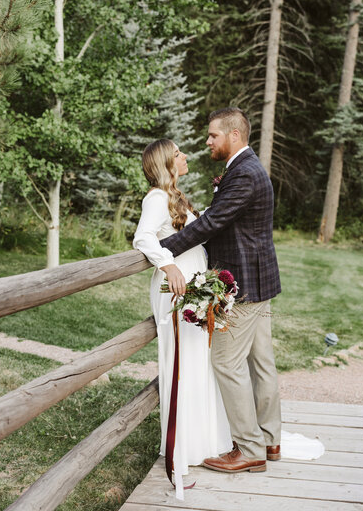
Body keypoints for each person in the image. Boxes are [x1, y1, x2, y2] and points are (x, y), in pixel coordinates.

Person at [158, 107, 282, 473]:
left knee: (226, 362)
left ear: (234, 136)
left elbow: (212, 222)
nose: (207, 141)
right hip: (260, 280)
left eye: (213, 135)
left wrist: (165, 248)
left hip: (243, 284)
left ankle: (249, 449)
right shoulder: (246, 169)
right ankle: (270, 439)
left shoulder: (244, 174)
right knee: (261, 364)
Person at [133, 139, 233, 490]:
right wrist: (168, 265)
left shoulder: (173, 197)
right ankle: (182, 449)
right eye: (178, 154)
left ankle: (204, 442)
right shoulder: (156, 199)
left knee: (198, 364)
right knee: (183, 368)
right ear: (166, 162)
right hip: (176, 292)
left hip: (195, 289)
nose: (185, 156)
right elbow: (143, 238)